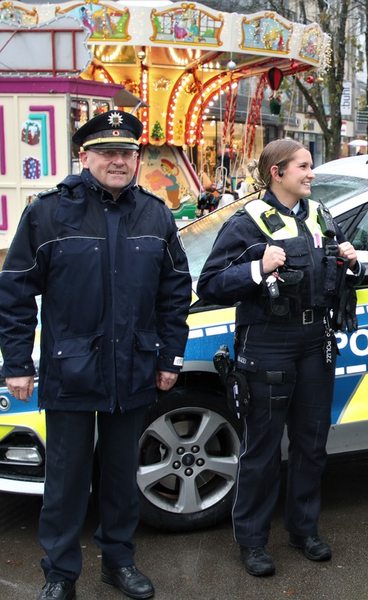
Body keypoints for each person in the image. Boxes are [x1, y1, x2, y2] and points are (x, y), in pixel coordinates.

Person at [0, 111, 192, 600]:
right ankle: (60, 574)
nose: (118, 161)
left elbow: (175, 293)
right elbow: (15, 291)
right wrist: (17, 363)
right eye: (107, 152)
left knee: (121, 477)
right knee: (66, 481)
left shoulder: (156, 214)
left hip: (134, 367)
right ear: (84, 157)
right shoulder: (48, 213)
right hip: (71, 369)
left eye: (126, 153)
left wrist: (170, 357)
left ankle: (119, 562)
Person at [197, 138, 362, 578]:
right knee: (263, 448)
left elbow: (334, 267)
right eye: (303, 166)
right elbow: (209, 284)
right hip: (268, 340)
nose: (311, 173)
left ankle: (303, 531)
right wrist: (259, 267)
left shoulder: (320, 214)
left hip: (315, 340)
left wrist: (349, 261)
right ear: (277, 172)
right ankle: (252, 541)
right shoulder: (248, 221)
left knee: (311, 442)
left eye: (310, 166)